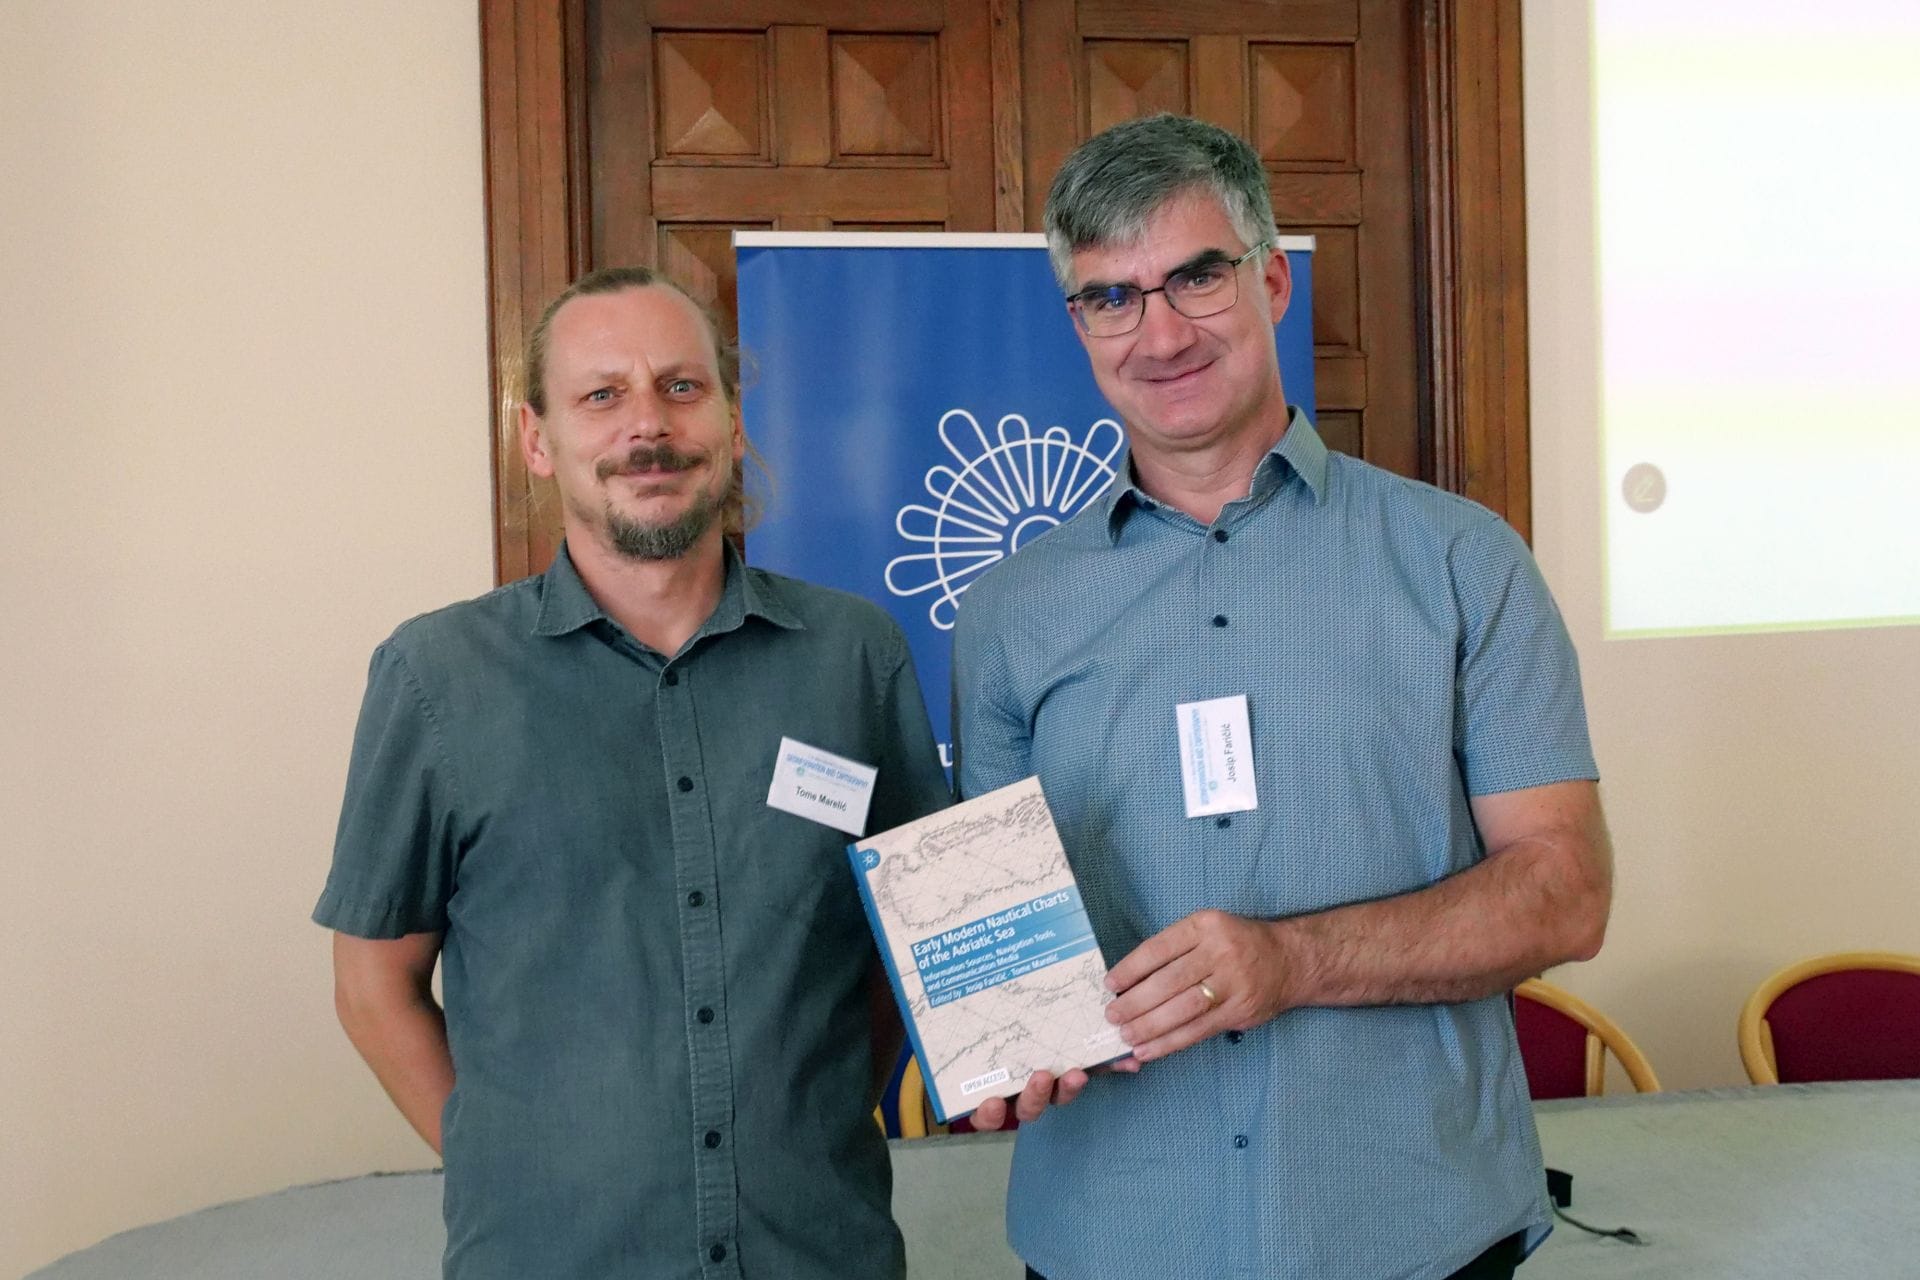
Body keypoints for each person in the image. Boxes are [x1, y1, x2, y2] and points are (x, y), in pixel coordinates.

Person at [951, 114, 1611, 1280]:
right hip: (1114, 1234)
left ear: (1270, 280)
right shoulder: (1009, 613)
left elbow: (1566, 894)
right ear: (1079, 323)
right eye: (1112, 297)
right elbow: (1001, 942)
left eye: (1196, 277)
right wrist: (1001, 1037)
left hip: (1410, 1230)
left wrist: (1295, 959)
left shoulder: (1464, 561)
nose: (1160, 332)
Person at [315, 266, 950, 1279]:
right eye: (602, 394)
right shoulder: (437, 677)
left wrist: (802, 1129)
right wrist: (509, 1171)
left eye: (681, 386)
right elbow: (371, 984)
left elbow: (902, 946)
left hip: (815, 1253)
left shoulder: (853, 656)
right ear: (537, 439)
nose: (647, 425)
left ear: (732, 421)